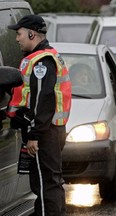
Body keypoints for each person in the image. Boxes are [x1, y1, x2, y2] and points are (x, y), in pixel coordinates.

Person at [7, 15, 72, 215]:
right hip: (49, 130)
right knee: (51, 182)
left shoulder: (42, 60)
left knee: (45, 185)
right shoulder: (45, 56)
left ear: (31, 33)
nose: (17, 39)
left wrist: (34, 134)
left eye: (19, 34)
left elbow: (43, 100)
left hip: (44, 132)